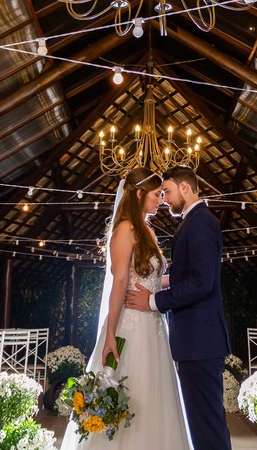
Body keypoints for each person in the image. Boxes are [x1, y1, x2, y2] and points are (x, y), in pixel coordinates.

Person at [59, 168, 190, 450]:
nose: (161, 200)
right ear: (139, 193)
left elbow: (150, 280)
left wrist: (185, 278)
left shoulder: (147, 231)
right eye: (156, 194)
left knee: (154, 397)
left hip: (154, 325)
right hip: (130, 325)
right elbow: (119, 282)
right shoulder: (124, 229)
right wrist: (110, 334)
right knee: (130, 391)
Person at [125, 166, 232, 450]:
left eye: (167, 191)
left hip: (200, 342)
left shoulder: (200, 223)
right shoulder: (193, 222)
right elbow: (190, 276)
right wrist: (155, 283)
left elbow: (201, 283)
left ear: (185, 188)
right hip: (195, 342)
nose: (164, 199)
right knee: (202, 422)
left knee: (207, 425)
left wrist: (152, 301)